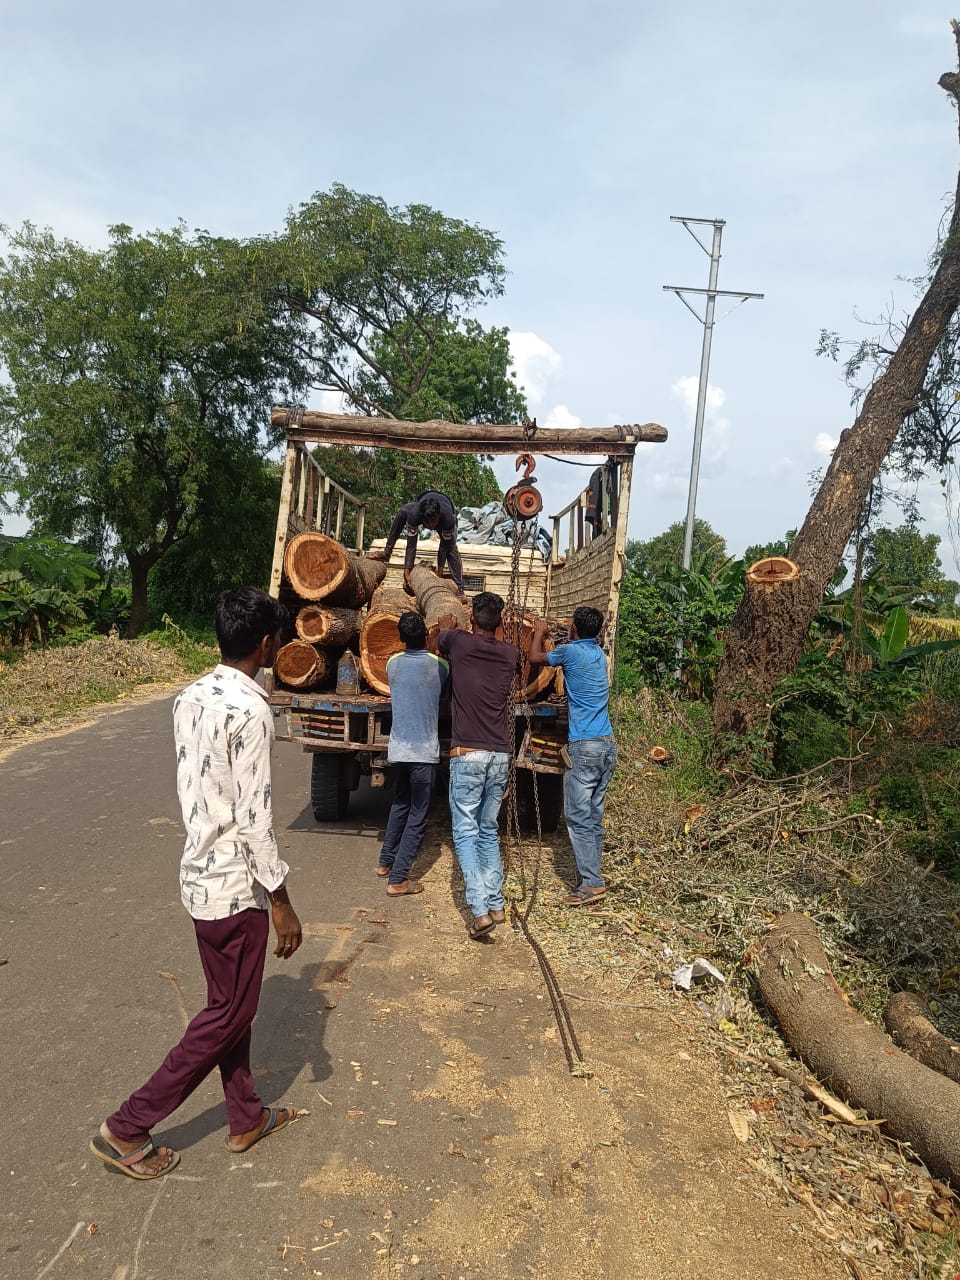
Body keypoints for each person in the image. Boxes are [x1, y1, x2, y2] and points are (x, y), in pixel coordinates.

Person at [90, 588, 303, 1180]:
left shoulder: (189, 696)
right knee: (228, 1015)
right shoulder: (252, 711)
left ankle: (245, 1117)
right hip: (235, 888)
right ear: (267, 645)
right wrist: (280, 899)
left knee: (227, 1007)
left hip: (199, 877)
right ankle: (127, 1126)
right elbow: (254, 817)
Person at [438, 592, 519, 939]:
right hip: (499, 754)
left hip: (468, 753)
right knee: (487, 829)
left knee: (465, 832)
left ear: (471, 618)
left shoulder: (457, 642)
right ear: (500, 623)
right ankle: (497, 904)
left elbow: (440, 637)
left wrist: (447, 625)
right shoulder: (511, 654)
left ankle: (480, 910)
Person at [530, 606, 615, 907]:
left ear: (574, 629)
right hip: (607, 745)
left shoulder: (569, 652)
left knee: (578, 817)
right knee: (593, 815)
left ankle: (591, 882)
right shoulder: (599, 655)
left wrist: (539, 631)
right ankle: (593, 875)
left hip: (585, 747)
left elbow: (534, 658)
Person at [376, 611, 449, 896]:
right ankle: (399, 879)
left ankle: (385, 862)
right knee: (418, 814)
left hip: (398, 749)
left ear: (401, 637)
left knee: (400, 803)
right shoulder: (439, 665)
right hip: (423, 752)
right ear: (427, 635)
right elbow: (444, 693)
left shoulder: (392, 663)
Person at [367, 491, 464, 594]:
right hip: (421, 500)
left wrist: (439, 573)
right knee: (402, 512)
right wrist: (407, 569)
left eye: (433, 521)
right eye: (427, 522)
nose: (431, 525)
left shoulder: (448, 519)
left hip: (446, 507)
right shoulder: (414, 515)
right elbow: (411, 545)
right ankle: (387, 553)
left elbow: (443, 548)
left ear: (438, 516)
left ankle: (459, 589)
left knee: (451, 548)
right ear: (422, 518)